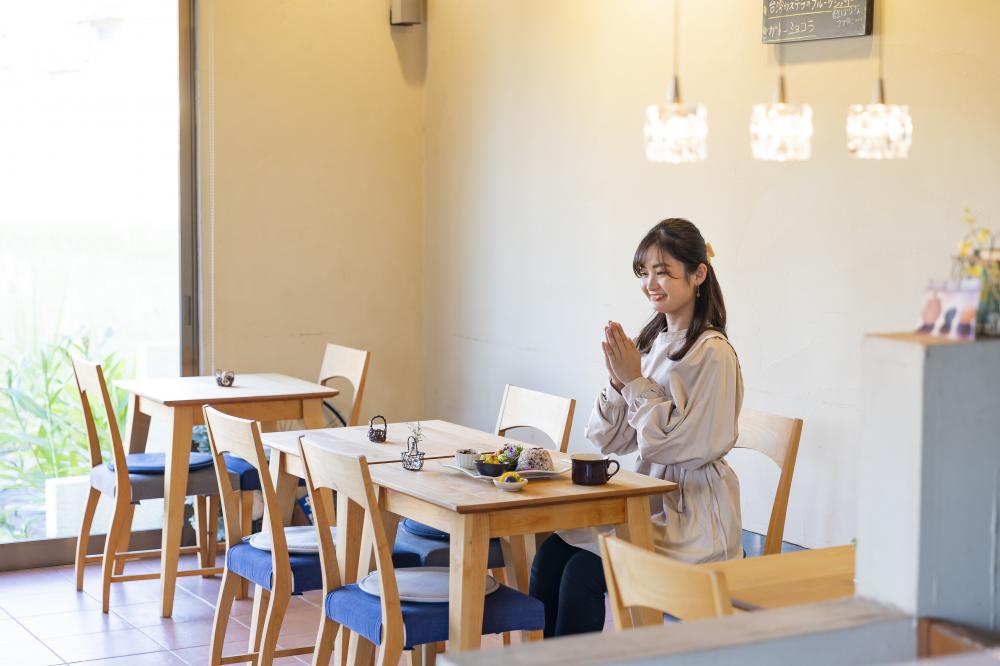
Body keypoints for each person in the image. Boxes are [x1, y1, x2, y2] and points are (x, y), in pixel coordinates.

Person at [528, 218, 744, 637]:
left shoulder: (713, 354)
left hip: (694, 519)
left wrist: (635, 382)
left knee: (582, 573)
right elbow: (610, 439)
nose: (651, 284)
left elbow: (680, 447)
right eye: (644, 273)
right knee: (552, 554)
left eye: (663, 271)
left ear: (698, 274)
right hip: (651, 504)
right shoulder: (654, 342)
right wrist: (617, 381)